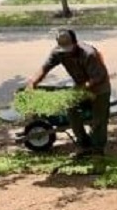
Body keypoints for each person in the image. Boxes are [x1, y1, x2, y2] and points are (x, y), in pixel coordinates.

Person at [26, 28, 111, 156]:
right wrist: (33, 82)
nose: (67, 53)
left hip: (99, 88)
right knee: (71, 110)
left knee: (98, 120)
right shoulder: (59, 52)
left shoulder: (89, 54)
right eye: (64, 49)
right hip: (80, 88)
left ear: (75, 43)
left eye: (69, 49)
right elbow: (45, 68)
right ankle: (84, 144)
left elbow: (100, 76)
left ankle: (98, 150)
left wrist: (84, 89)